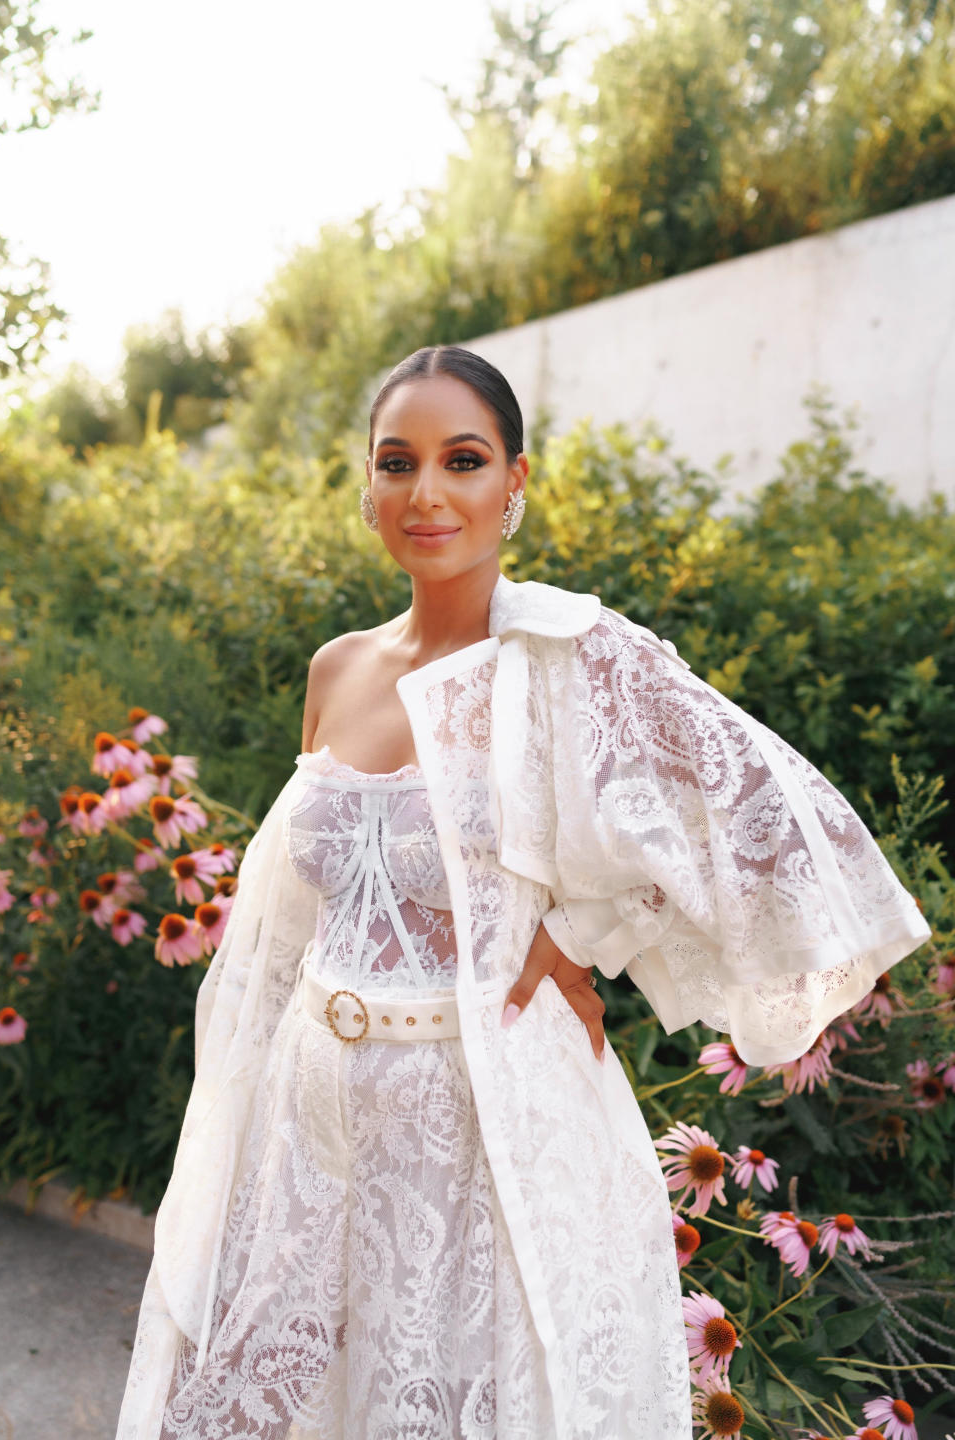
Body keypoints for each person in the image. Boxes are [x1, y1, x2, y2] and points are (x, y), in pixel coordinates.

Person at [116, 345, 930, 1440]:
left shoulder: (570, 659)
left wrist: (589, 928)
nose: (428, 492)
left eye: (463, 459)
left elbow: (758, 810)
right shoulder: (336, 668)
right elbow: (304, 909)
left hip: (479, 1147)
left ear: (515, 482)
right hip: (306, 1139)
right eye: (397, 462)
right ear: (367, 486)